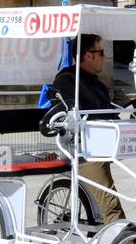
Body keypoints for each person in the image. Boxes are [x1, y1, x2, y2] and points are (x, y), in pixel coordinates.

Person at [48, 34, 123, 223]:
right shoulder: (66, 81)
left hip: (103, 145)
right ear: (88, 55)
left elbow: (110, 113)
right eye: (101, 53)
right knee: (110, 202)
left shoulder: (97, 84)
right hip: (82, 151)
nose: (104, 58)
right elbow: (71, 116)